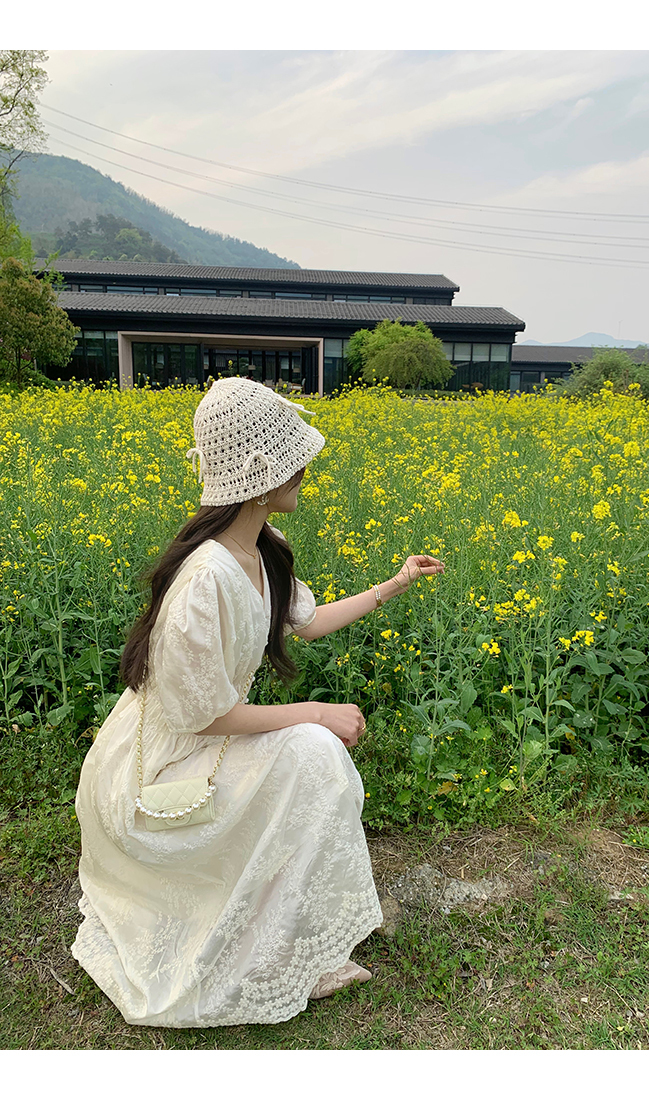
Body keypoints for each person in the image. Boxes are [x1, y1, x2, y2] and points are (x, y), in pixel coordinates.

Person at [71, 377, 446, 1027]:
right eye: (293, 460)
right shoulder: (205, 576)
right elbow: (202, 717)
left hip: (208, 740)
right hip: (161, 767)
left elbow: (310, 621)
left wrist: (396, 582)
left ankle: (299, 930)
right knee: (312, 750)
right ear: (259, 476)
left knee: (311, 755)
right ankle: (287, 942)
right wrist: (316, 713)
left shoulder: (261, 549)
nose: (305, 471)